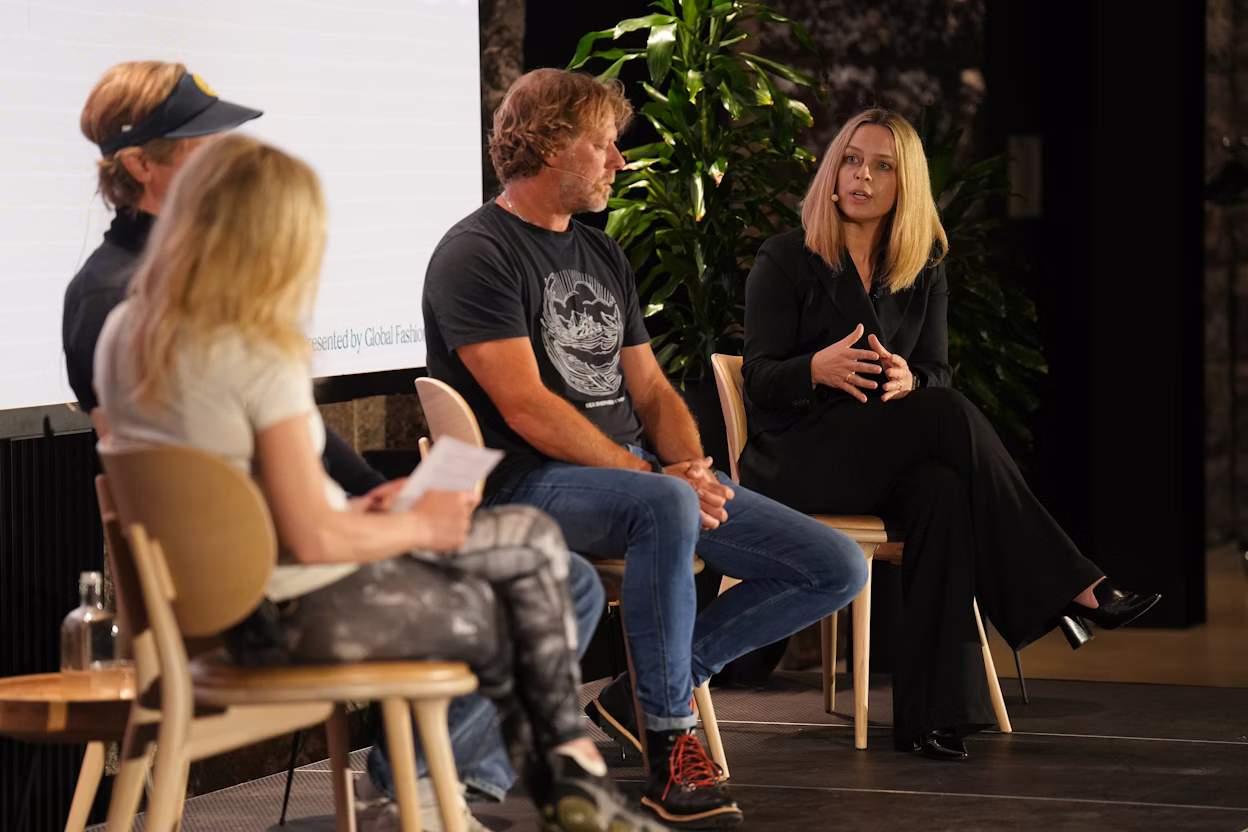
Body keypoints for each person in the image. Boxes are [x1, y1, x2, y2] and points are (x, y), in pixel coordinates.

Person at [65, 63, 607, 828]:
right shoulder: (239, 343)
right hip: (280, 604)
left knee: (534, 553)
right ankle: (463, 794)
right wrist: (410, 525)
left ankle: (489, 789)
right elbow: (295, 527)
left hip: (239, 592)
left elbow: (228, 469)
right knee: (542, 586)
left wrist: (374, 505)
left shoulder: (132, 324)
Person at [422, 68, 870, 829]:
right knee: (662, 501)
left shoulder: (601, 255)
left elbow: (654, 390)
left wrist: (690, 466)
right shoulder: (477, 252)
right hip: (521, 483)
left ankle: (639, 696)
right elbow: (526, 408)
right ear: (552, 145)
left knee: (835, 565)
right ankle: (672, 748)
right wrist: (654, 478)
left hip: (629, 485)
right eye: (604, 146)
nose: (619, 162)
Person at [739, 108, 1162, 760]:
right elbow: (760, 379)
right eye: (853, 159)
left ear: (905, 184)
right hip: (799, 457)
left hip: (883, 453)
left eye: (883, 166)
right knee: (949, 414)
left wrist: (914, 379)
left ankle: (928, 720)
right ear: (832, 170)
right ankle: (1077, 586)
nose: (862, 176)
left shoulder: (923, 263)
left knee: (939, 489)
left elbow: (937, 370)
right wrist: (814, 368)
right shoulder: (787, 257)